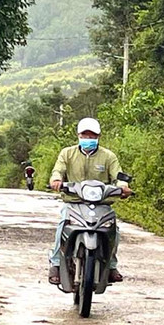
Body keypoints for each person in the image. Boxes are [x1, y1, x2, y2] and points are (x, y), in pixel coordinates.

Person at [48, 117, 131, 285]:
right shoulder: (67, 153)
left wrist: (123, 187)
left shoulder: (108, 157)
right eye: (84, 136)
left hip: (102, 204)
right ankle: (56, 263)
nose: (88, 139)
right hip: (74, 202)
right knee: (63, 224)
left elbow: (118, 176)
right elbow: (58, 170)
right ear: (78, 136)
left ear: (98, 137)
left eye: (92, 136)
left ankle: (111, 265)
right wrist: (56, 181)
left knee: (114, 230)